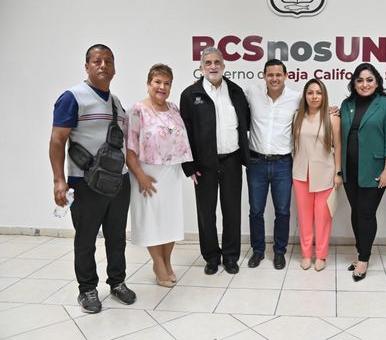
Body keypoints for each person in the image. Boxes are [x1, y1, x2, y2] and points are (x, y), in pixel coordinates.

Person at [49, 44, 136, 313]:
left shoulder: (116, 102)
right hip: (84, 182)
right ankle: (87, 289)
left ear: (114, 68)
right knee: (86, 239)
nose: (103, 66)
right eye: (97, 61)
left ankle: (117, 282)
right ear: (86, 66)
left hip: (118, 181)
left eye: (108, 61)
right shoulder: (72, 98)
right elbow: (57, 140)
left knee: (116, 237)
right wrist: (59, 180)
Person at [180, 47, 250, 275]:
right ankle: (211, 257)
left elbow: (246, 123)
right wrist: (189, 166)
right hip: (203, 165)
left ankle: (230, 256)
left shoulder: (236, 92)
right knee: (206, 213)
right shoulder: (190, 95)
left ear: (223, 66)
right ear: (201, 67)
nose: (213, 66)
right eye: (208, 63)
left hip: (232, 160)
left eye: (217, 62)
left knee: (232, 211)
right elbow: (185, 133)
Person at [126, 64, 193, 287]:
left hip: (171, 172)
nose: (162, 87)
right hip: (148, 173)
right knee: (152, 222)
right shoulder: (137, 110)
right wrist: (140, 176)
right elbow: (130, 149)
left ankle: (167, 261)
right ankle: (158, 264)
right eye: (157, 82)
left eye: (166, 83)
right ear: (148, 83)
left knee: (170, 221)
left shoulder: (174, 108)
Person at [340, 63, 386, 281]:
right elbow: (339, 131)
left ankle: (364, 259)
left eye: (369, 80)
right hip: (349, 170)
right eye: (360, 80)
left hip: (375, 170)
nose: (364, 84)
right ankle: (360, 252)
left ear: (377, 82)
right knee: (356, 212)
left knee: (366, 213)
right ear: (354, 83)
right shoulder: (347, 104)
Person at [245, 59, 300, 270]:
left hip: (283, 163)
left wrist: (330, 110)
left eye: (278, 75)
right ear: (264, 76)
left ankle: (279, 252)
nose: (274, 78)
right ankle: (258, 251)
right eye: (270, 75)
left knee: (283, 211)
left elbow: (315, 108)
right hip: (256, 162)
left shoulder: (296, 98)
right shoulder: (252, 93)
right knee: (255, 210)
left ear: (286, 76)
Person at [292, 78, 342, 271]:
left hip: (325, 173)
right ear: (305, 96)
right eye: (310, 92)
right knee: (304, 217)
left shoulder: (332, 118)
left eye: (318, 93)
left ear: (324, 96)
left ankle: (321, 255)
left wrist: (338, 172)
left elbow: (338, 147)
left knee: (323, 217)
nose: (314, 96)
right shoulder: (297, 116)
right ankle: (306, 254)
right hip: (300, 174)